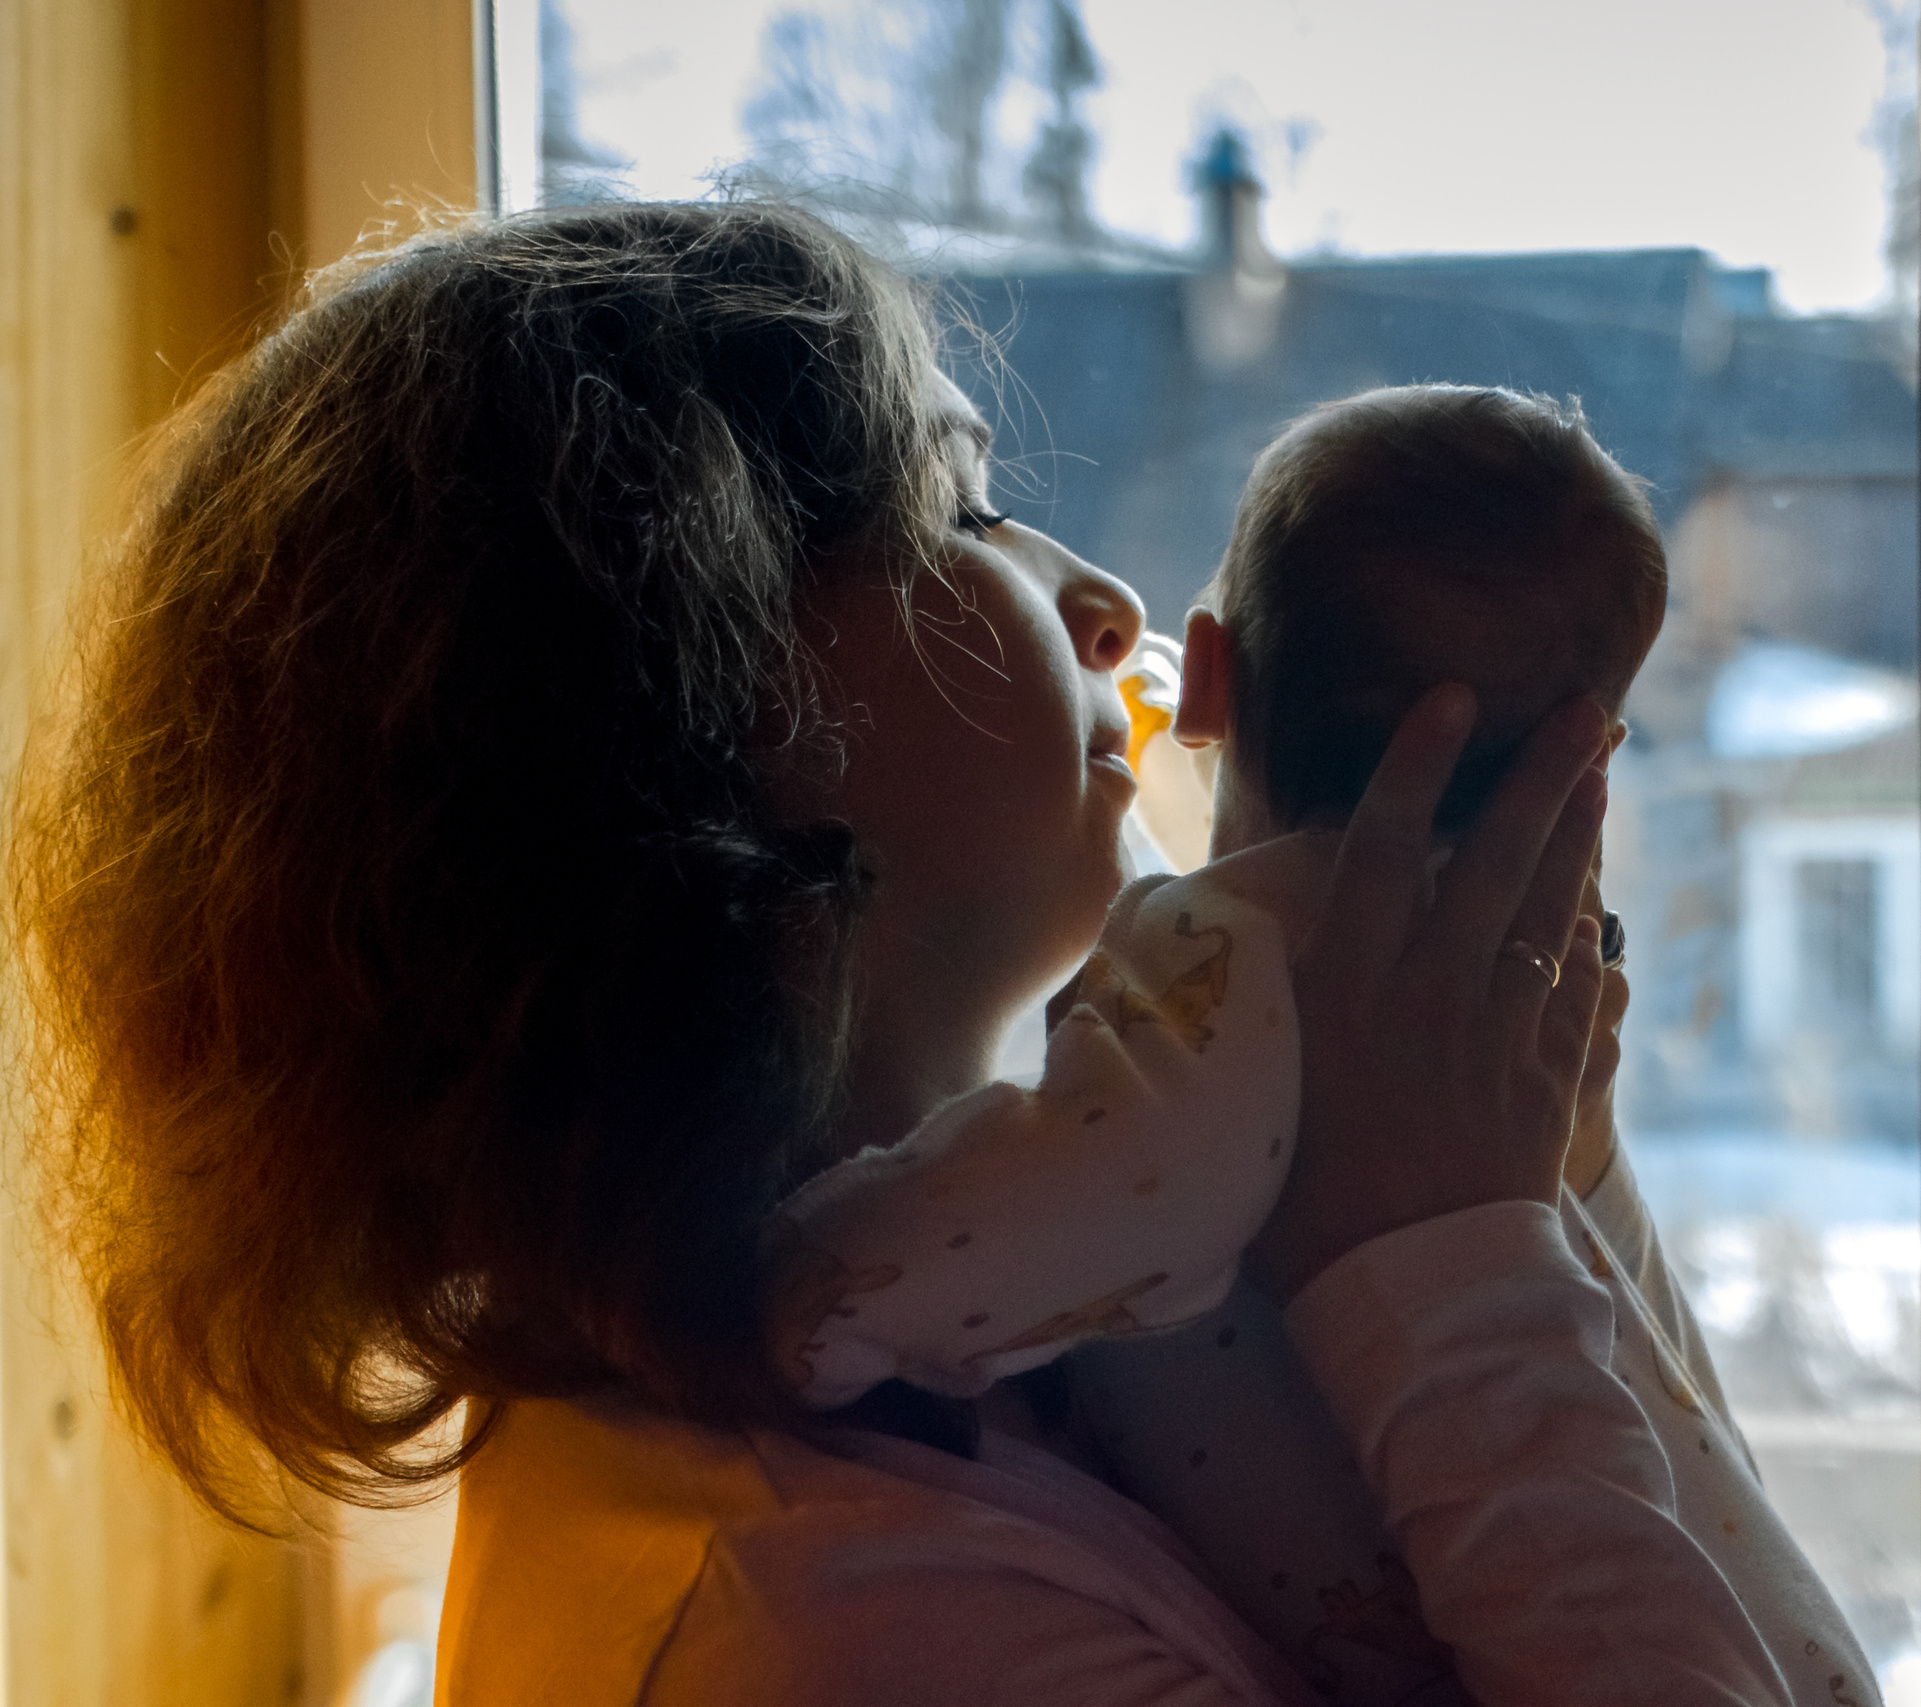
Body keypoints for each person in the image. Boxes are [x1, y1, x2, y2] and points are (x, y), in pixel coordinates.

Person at [6, 202, 1751, 1707]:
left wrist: (1509, 1150)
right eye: (964, 512)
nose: (1111, 610)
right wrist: (1443, 1264)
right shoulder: (834, 1631)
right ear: (672, 710)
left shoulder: (978, 1282)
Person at [760, 385, 1879, 1707]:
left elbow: (1098, 1174)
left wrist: (784, 1299)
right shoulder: (1418, 1002)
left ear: (1213, 672)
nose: (1106, 600)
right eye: (965, 513)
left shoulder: (1257, 979)